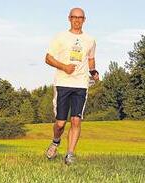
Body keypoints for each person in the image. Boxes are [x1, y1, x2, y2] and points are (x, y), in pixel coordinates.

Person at [45, 7, 99, 165]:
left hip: (81, 84)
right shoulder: (60, 37)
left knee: (76, 120)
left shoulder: (90, 40)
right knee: (61, 123)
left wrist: (93, 72)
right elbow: (48, 58)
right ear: (69, 18)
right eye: (74, 17)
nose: (77, 20)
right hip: (62, 83)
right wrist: (64, 67)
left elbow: (90, 59)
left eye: (80, 17)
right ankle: (55, 142)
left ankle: (70, 154)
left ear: (84, 20)